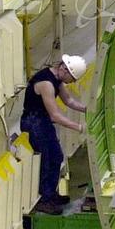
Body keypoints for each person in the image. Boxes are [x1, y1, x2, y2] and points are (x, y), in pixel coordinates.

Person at [20, 55, 88, 215]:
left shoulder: (57, 79)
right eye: (72, 79)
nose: (71, 82)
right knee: (46, 160)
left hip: (42, 120)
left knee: (56, 156)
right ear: (65, 70)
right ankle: (43, 200)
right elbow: (55, 116)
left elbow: (68, 101)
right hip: (33, 122)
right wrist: (78, 127)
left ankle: (50, 193)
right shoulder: (46, 83)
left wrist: (87, 109)